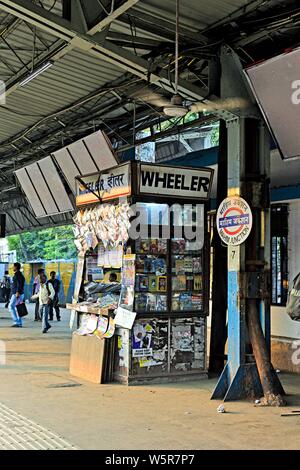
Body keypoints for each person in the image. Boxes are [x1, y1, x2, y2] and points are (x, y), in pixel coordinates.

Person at [9, 263, 25, 328]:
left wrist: (18, 292)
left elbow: (19, 284)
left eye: (13, 266)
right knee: (19, 307)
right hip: (18, 293)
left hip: (17, 293)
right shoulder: (19, 274)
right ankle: (19, 323)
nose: (13, 268)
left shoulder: (18, 275)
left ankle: (16, 321)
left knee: (11, 306)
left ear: (16, 267)